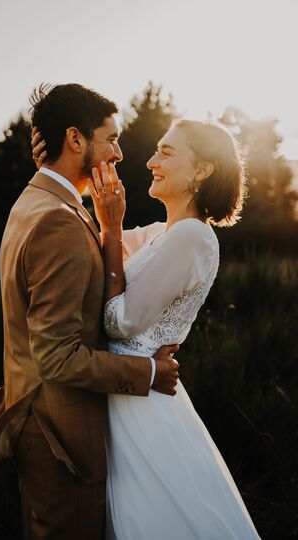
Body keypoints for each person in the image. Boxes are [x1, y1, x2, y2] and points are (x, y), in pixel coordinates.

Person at [0, 83, 179, 540]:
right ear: (76, 140)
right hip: (59, 438)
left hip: (42, 426)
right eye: (111, 138)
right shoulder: (57, 222)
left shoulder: (38, 200)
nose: (120, 153)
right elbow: (56, 357)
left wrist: (110, 227)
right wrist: (147, 373)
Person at [85, 119, 261, 539]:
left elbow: (119, 320)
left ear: (201, 171)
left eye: (166, 152)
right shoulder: (160, 234)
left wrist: (111, 229)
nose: (149, 161)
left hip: (142, 406)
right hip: (127, 395)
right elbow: (88, 245)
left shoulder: (194, 238)